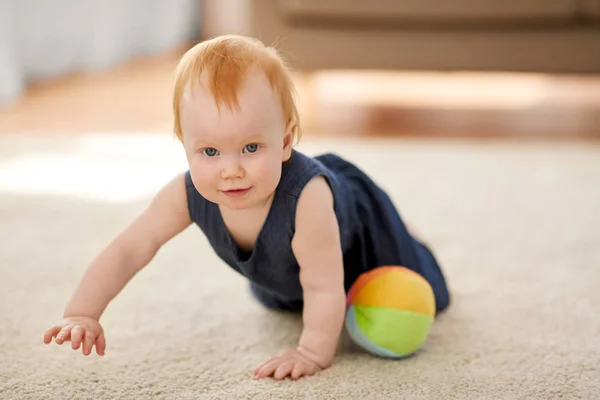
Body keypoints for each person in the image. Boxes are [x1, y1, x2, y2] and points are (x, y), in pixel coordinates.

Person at [42, 34, 450, 381]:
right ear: (184, 145)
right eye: (210, 151)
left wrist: (311, 353)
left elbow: (324, 284)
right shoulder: (185, 194)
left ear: (287, 141)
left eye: (251, 147)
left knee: (419, 294)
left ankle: (408, 232)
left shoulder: (308, 198)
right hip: (287, 271)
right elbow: (131, 247)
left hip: (358, 240)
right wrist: (82, 313)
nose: (231, 170)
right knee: (285, 299)